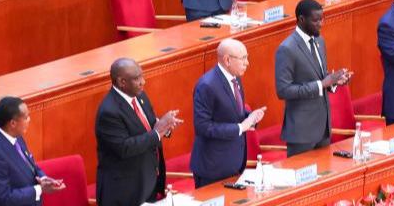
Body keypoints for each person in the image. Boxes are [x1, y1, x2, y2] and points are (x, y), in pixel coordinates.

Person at [95, 58, 182, 206]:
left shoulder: (139, 95)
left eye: (142, 75)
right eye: (137, 78)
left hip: (147, 183)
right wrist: (157, 133)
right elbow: (125, 148)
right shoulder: (108, 112)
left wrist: (165, 126)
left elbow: (148, 123)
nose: (143, 81)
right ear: (122, 82)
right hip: (124, 193)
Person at [275, 0, 352, 156]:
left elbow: (321, 78)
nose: (320, 24)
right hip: (302, 132)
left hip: (323, 127)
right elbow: (283, 90)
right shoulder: (286, 49)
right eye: (316, 20)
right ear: (302, 20)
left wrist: (335, 81)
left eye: (322, 19)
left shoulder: (319, 41)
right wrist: (321, 84)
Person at [190, 39, 266, 188]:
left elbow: (232, 112)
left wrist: (250, 117)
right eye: (243, 58)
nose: (247, 63)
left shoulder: (235, 78)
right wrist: (240, 127)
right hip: (212, 168)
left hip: (233, 163)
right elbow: (203, 127)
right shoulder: (206, 85)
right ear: (227, 60)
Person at [0, 96, 65, 205]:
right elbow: (4, 198)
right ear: (13, 123)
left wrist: (44, 178)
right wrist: (40, 189)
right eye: (26, 117)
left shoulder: (15, 135)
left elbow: (30, 165)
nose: (29, 119)